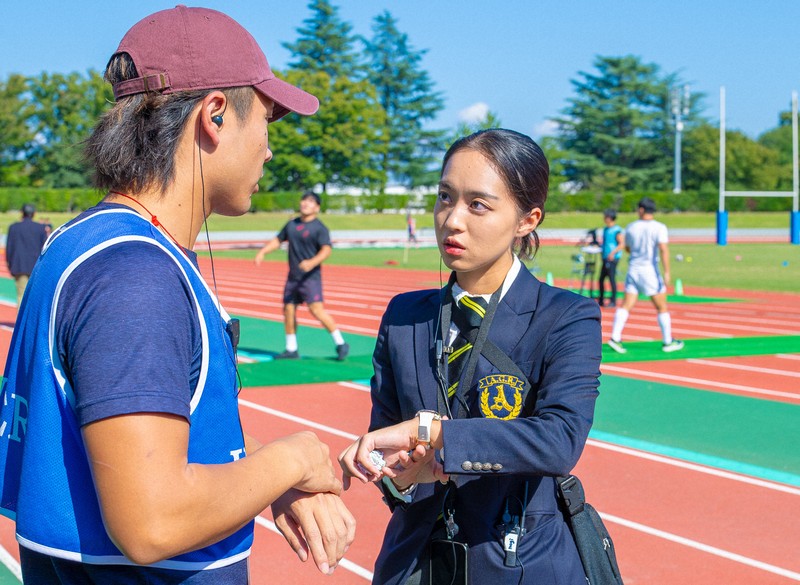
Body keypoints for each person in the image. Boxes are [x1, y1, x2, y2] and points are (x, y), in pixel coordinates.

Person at [0, 7, 354, 584]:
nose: (268, 148)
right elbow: (153, 521)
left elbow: (156, 437)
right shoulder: (135, 277)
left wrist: (266, 478)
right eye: (267, 119)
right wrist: (296, 457)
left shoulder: (88, 242)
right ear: (215, 115)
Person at [339, 129, 602, 585]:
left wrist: (436, 434)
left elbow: (559, 441)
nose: (451, 219)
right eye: (445, 197)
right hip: (415, 564)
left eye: (477, 204)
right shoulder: (404, 315)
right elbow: (387, 438)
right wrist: (395, 474)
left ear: (527, 219)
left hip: (520, 565)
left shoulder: (567, 317)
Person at [254, 191, 349, 361]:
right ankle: (291, 349)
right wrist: (263, 251)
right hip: (293, 277)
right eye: (304, 200)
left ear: (317, 207)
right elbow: (278, 240)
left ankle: (340, 343)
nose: (305, 203)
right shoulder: (292, 224)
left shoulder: (320, 228)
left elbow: (326, 249)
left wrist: (312, 262)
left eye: (311, 201)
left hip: (310, 278)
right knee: (288, 309)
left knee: (316, 310)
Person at [607, 197, 684, 354]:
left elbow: (626, 248)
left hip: (633, 269)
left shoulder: (631, 227)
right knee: (662, 306)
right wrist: (667, 271)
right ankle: (668, 341)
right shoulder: (659, 227)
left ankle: (615, 337)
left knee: (626, 304)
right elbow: (663, 249)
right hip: (649, 271)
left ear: (641, 209)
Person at [4, 203, 48, 305]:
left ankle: (21, 321)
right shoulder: (40, 228)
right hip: (36, 267)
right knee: (35, 296)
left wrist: (10, 265)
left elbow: (9, 248)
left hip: (19, 265)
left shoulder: (14, 227)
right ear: (34, 213)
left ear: (22, 213)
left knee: (21, 295)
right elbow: (44, 249)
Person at [597, 208, 624, 307]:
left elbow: (621, 244)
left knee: (611, 278)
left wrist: (613, 253)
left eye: (605, 216)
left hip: (612, 258)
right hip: (605, 257)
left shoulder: (616, 230)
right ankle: (601, 299)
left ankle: (613, 300)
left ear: (610, 218)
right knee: (601, 279)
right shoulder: (605, 229)